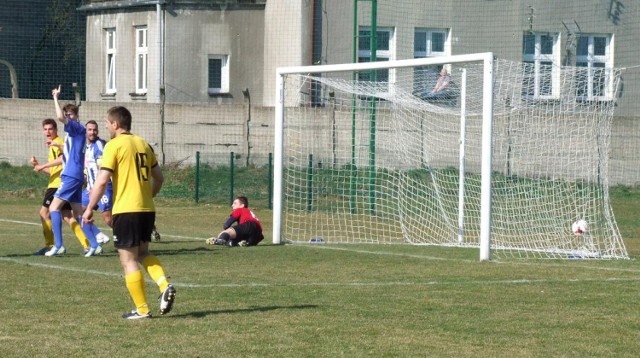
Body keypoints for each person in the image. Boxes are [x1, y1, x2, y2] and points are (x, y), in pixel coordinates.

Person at [82, 106, 176, 320]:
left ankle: (142, 309)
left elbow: (102, 180)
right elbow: (159, 178)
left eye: (107, 122)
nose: (105, 126)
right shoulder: (143, 143)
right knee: (143, 253)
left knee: (128, 260)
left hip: (126, 209)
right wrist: (149, 195)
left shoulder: (113, 146)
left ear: (115, 124)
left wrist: (89, 209)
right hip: (146, 209)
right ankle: (164, 284)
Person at [45, 85, 101, 257]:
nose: (67, 117)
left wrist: (55, 97)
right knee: (77, 212)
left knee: (54, 208)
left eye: (71, 114)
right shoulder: (74, 132)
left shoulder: (76, 127)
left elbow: (59, 116)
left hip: (71, 174)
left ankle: (59, 245)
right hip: (75, 174)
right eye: (68, 114)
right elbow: (71, 152)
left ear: (76, 116)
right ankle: (94, 244)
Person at [30, 118, 91, 255]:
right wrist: (38, 166)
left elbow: (63, 160)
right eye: (45, 129)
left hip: (59, 184)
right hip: (59, 182)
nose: (47, 132)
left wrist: (43, 165)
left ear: (56, 130)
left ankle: (51, 245)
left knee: (44, 213)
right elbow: (52, 170)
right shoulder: (53, 144)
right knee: (67, 215)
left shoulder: (58, 142)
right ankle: (87, 243)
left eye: (50, 129)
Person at [81, 120, 113, 246]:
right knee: (77, 211)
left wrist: (96, 187)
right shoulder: (86, 147)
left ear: (98, 131)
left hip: (102, 188)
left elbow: (101, 168)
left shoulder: (99, 145)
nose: (92, 132)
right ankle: (99, 236)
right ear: (85, 131)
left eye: (94, 130)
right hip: (90, 189)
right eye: (89, 130)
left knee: (108, 219)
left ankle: (127, 236)